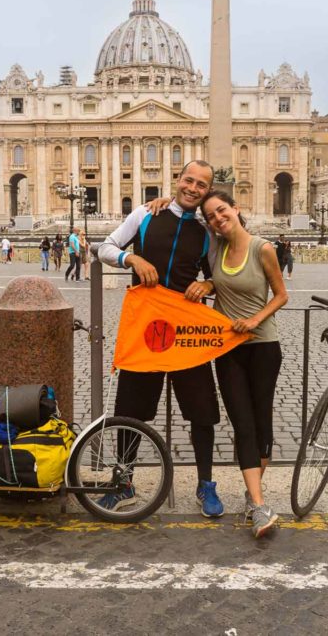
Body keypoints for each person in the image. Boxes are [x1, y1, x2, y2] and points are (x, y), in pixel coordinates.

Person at [98, 160, 224, 517]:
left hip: (187, 331)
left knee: (203, 411)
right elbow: (104, 247)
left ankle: (205, 483)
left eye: (202, 184)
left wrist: (209, 283)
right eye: (189, 180)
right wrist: (130, 258)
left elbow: (218, 275)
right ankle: (123, 482)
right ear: (178, 179)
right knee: (130, 410)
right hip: (147, 330)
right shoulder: (145, 214)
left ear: (206, 191)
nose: (193, 188)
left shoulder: (206, 231)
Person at [198, 189, 288, 538]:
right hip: (229, 349)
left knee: (261, 421)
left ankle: (253, 499)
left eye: (222, 211)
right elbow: (188, 220)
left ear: (236, 209)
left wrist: (253, 320)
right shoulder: (217, 250)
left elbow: (281, 295)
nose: (218, 218)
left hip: (264, 346)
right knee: (242, 422)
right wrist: (206, 282)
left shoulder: (262, 248)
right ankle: (260, 504)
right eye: (212, 217)